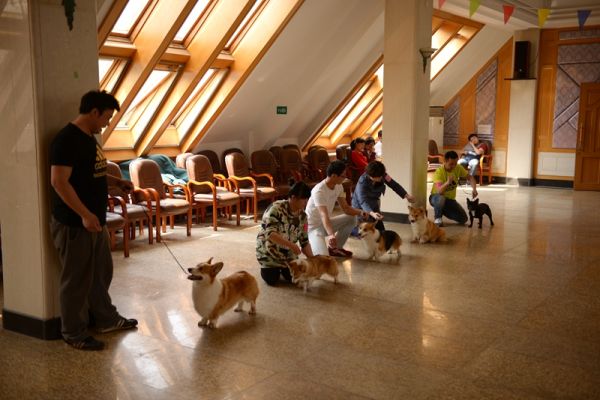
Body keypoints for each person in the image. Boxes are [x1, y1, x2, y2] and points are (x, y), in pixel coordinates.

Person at [50, 90, 138, 351]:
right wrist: (84, 214)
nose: (107, 123)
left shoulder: (89, 138)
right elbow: (58, 182)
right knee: (76, 280)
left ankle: (105, 319)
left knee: (101, 273)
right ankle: (73, 332)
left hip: (95, 220)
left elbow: (94, 173)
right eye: (107, 118)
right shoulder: (66, 140)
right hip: (75, 224)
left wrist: (117, 182)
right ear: (94, 112)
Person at [305, 160, 369, 257]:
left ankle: (335, 248)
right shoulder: (319, 191)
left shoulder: (338, 186)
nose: (345, 178)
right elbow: (323, 215)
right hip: (313, 228)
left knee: (351, 218)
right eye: (343, 176)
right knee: (324, 258)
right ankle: (311, 244)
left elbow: (346, 208)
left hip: (325, 224)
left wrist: (361, 212)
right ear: (334, 176)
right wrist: (331, 235)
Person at [256, 181, 314, 285]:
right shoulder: (275, 209)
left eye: (307, 199)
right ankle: (273, 268)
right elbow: (270, 234)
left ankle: (284, 268)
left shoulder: (303, 217)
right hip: (269, 252)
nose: (306, 202)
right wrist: (291, 245)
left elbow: (304, 242)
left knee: (293, 278)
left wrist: (313, 260)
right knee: (271, 279)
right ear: (293, 197)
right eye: (304, 199)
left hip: (288, 255)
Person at [352, 161, 416, 231]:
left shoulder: (383, 175)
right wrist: (372, 213)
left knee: (381, 230)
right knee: (366, 231)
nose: (381, 178)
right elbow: (363, 201)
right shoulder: (362, 182)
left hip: (374, 202)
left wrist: (407, 196)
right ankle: (352, 231)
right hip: (361, 207)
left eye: (381, 176)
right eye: (378, 177)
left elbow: (394, 185)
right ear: (370, 176)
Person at [429, 151, 478, 227]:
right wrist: (447, 183)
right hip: (436, 197)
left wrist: (474, 189)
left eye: (455, 163)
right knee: (441, 198)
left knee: (463, 219)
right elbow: (440, 191)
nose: (454, 166)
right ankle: (438, 218)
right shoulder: (439, 172)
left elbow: (470, 177)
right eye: (451, 164)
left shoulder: (458, 167)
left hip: (450, 200)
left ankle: (441, 209)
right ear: (445, 161)